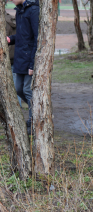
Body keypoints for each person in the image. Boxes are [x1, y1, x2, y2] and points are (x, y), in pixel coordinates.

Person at [7, 0, 39, 135]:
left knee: (27, 90)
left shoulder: (33, 10)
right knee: (18, 89)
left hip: (30, 58)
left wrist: (33, 64)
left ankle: (34, 120)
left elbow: (37, 38)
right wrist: (10, 39)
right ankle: (37, 109)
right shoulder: (19, 10)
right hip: (20, 57)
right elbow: (22, 36)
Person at [5, 11, 22, 107]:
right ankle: (17, 106)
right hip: (15, 56)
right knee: (16, 85)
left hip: (6, 57)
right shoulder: (11, 19)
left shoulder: (3, 21)